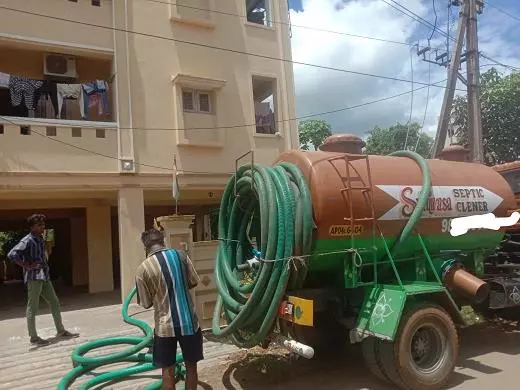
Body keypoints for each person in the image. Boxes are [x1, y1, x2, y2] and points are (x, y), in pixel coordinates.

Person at [135, 228, 203, 390]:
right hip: (189, 323)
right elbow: (193, 282)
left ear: (146, 247)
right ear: (163, 241)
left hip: (165, 327)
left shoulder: (142, 269)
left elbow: (145, 303)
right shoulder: (181, 256)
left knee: (167, 370)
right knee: (191, 368)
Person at [7, 214, 79, 346]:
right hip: (34, 278)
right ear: (31, 227)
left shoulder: (39, 239)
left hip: (44, 276)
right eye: (39, 225)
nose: (42, 227)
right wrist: (27, 266)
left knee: (54, 302)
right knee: (33, 307)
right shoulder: (27, 240)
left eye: (43, 225)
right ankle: (34, 338)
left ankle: (61, 331)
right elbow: (12, 254)